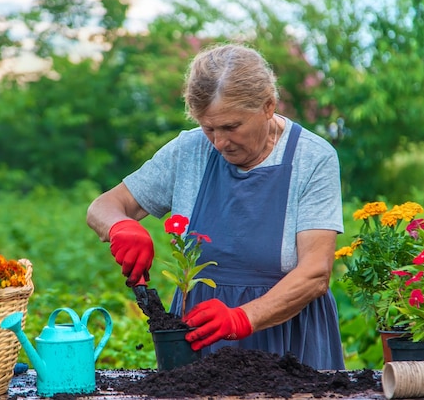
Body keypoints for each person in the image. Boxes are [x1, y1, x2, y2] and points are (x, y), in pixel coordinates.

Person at [86, 43, 345, 370]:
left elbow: (315, 273)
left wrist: (243, 318)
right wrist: (120, 226)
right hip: (202, 341)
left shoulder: (313, 158)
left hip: (290, 342)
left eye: (231, 127)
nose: (219, 142)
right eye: (209, 128)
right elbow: (104, 205)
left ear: (268, 106)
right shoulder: (189, 151)